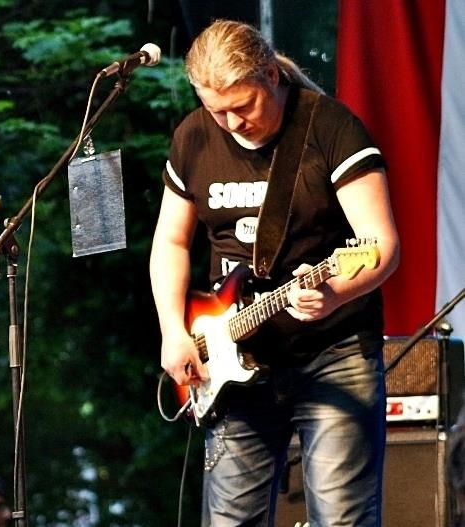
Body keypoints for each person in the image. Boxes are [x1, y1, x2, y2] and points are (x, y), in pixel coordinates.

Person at [149, 19, 400, 526]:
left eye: (243, 106)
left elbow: (382, 245)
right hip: (231, 359)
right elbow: (171, 241)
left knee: (342, 519)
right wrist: (173, 331)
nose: (231, 123)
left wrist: (336, 292)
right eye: (216, 110)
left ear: (270, 75)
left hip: (333, 353)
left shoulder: (330, 127)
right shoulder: (194, 136)